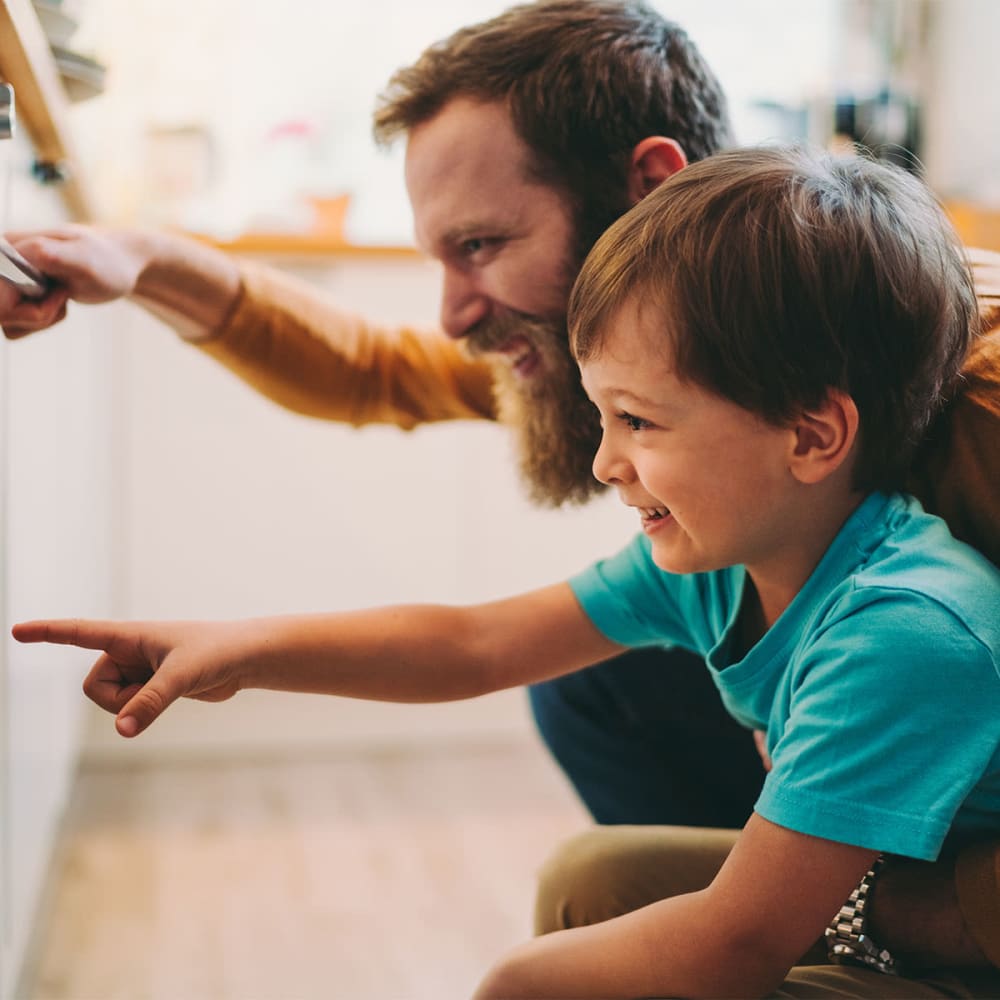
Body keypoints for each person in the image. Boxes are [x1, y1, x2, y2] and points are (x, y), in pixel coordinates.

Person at [3, 0, 1000, 966]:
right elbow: (376, 387)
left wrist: (880, 913)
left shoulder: (962, 414)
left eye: (481, 244)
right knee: (598, 699)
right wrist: (138, 260)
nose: (449, 317)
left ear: (646, 185)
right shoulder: (686, 364)